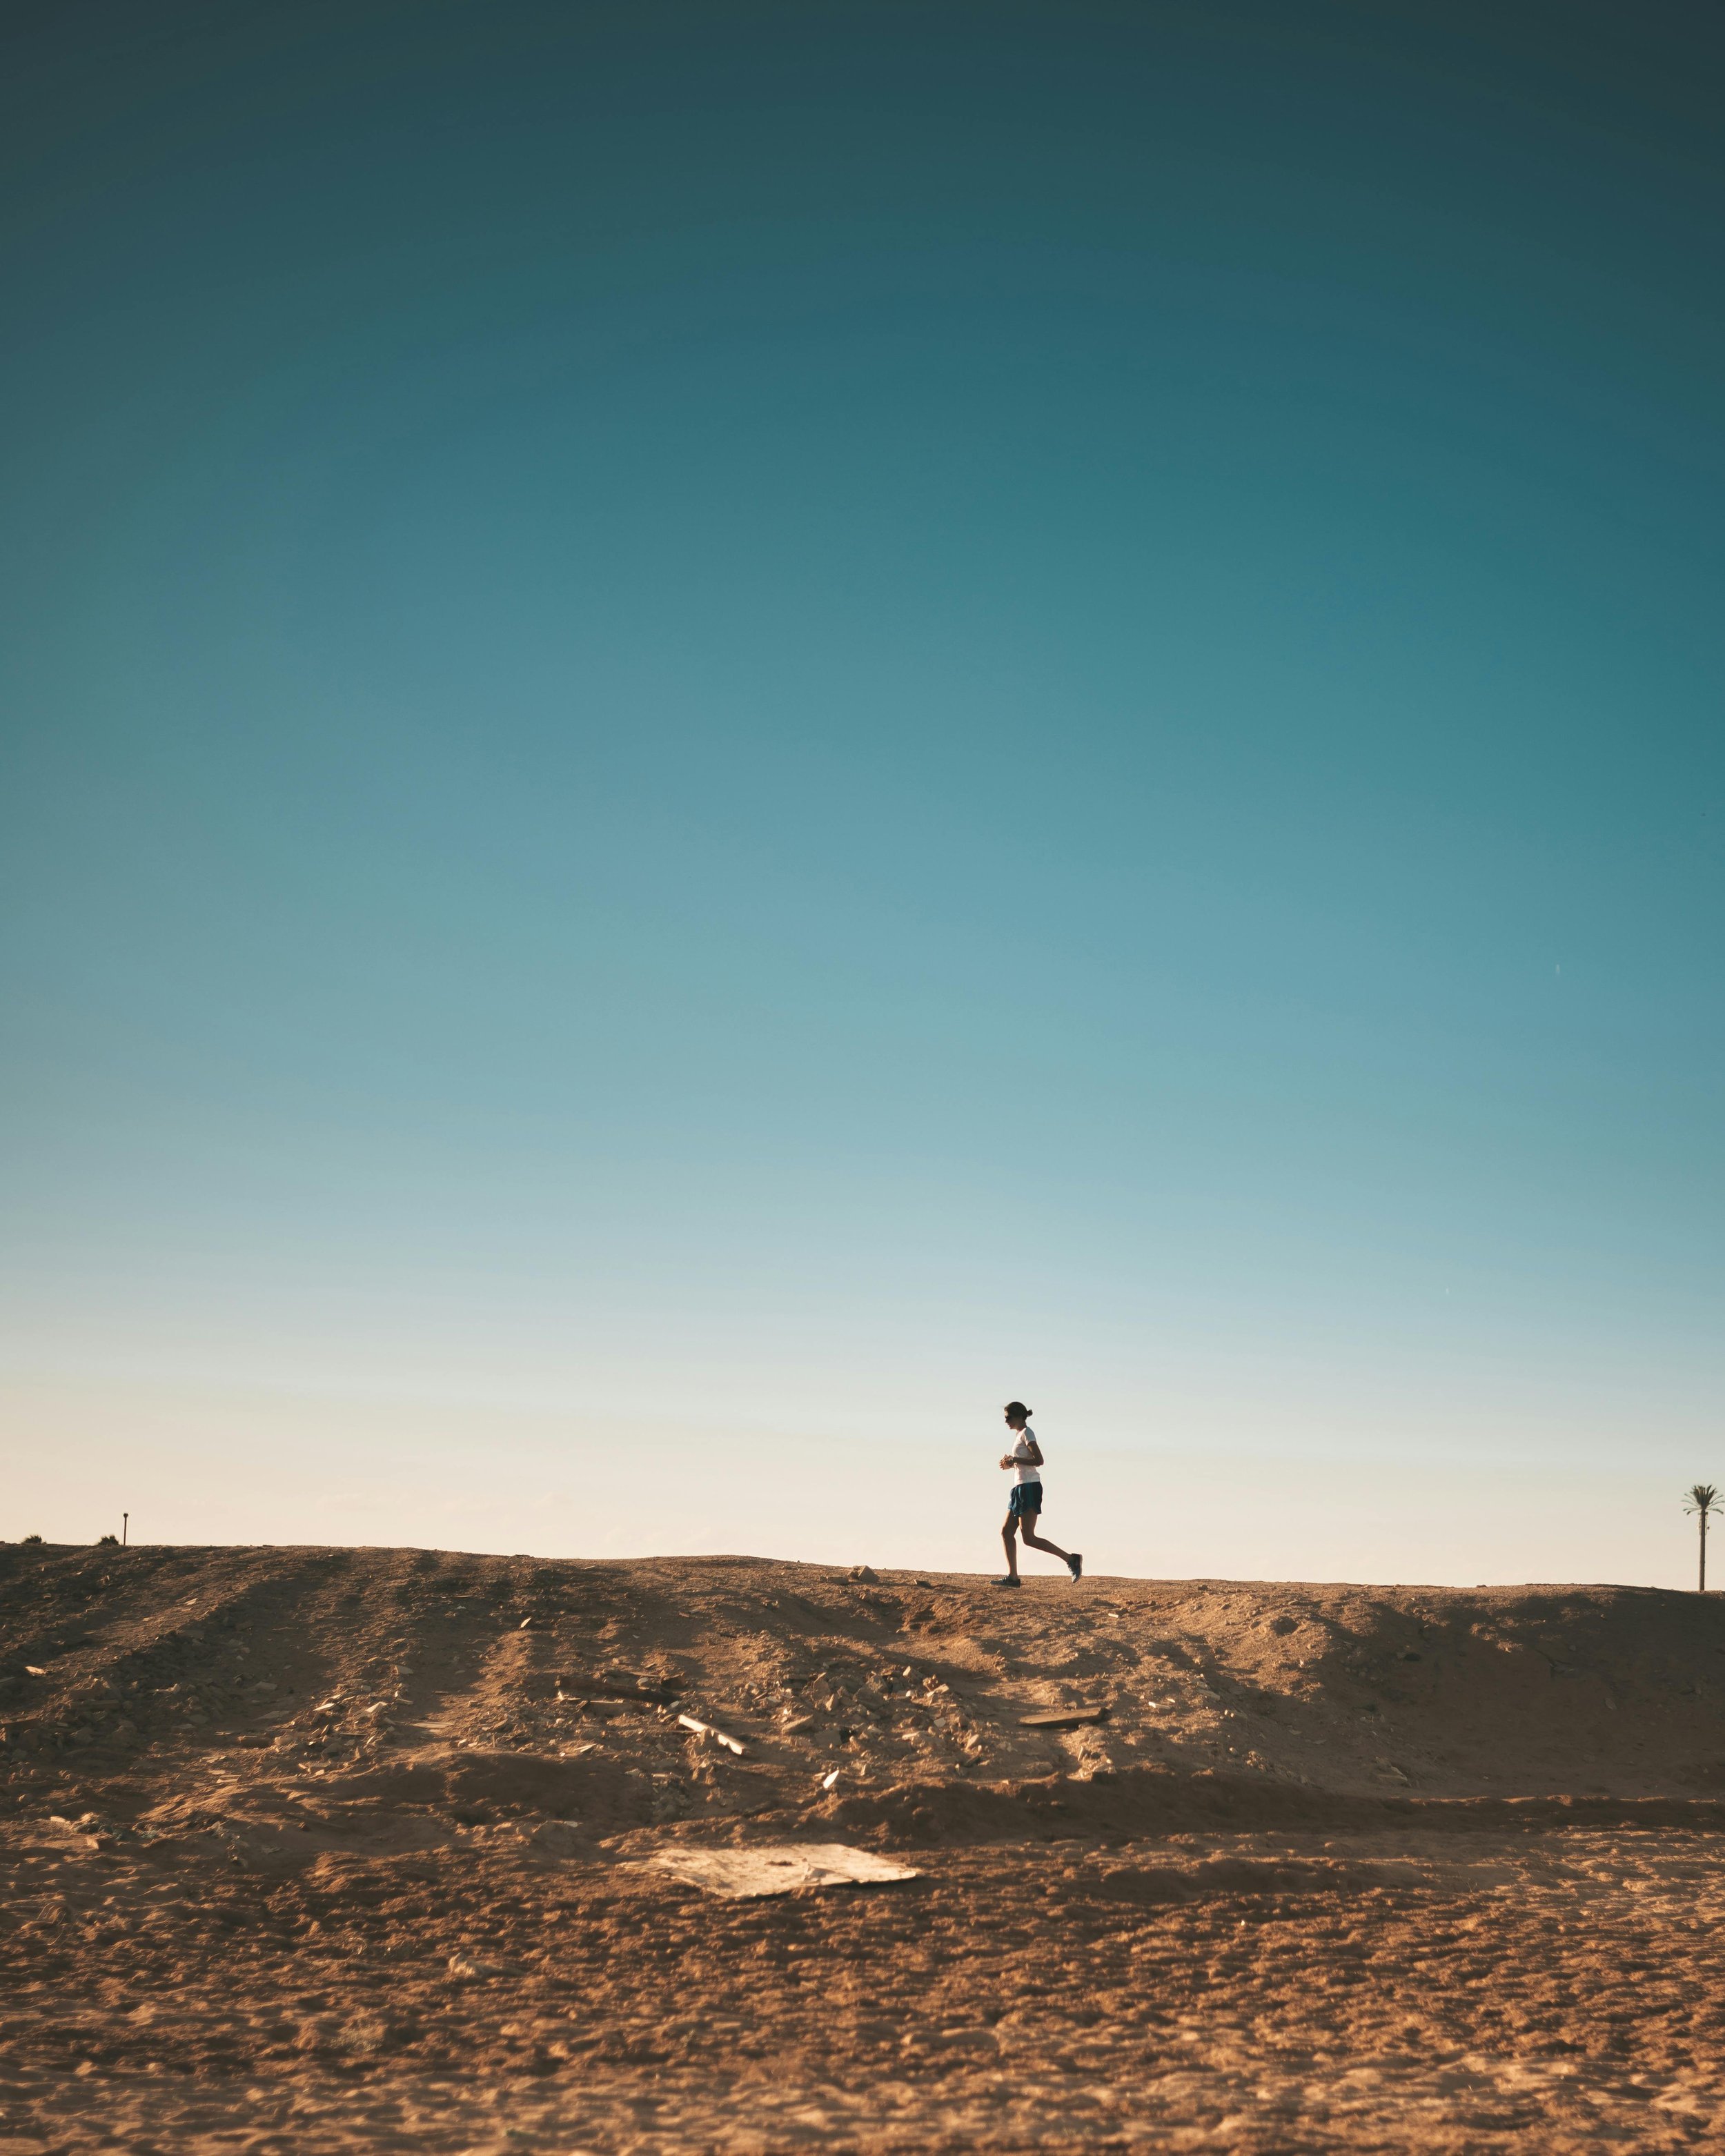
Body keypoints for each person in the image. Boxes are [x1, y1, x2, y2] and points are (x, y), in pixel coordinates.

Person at [995, 1401, 1082, 1586]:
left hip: (1029, 1487)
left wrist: (1014, 1460)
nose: (1006, 1421)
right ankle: (1013, 1578)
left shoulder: (1028, 1433)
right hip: (1019, 1487)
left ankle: (1071, 1559)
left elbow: (1039, 1460)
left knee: (1029, 1538)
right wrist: (1011, 1464)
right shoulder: (1019, 1435)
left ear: (1020, 1416)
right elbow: (1024, 1462)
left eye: (1009, 1417)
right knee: (1006, 1532)